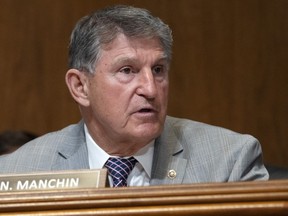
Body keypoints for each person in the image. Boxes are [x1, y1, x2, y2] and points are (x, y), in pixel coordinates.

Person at [0, 5, 268, 186]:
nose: (151, 89)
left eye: (158, 70)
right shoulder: (17, 173)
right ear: (80, 87)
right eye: (127, 70)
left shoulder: (230, 162)